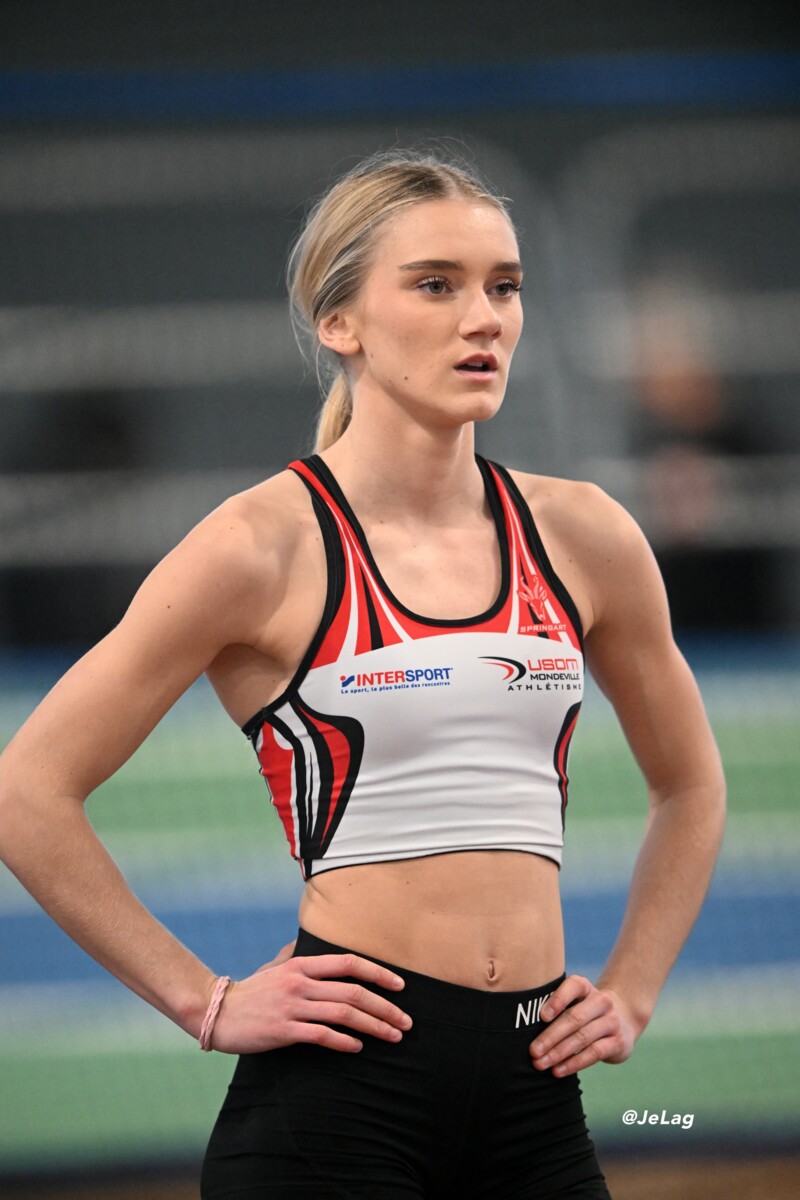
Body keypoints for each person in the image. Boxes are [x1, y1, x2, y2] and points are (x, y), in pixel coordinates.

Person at [0, 151, 725, 1199]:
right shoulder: (258, 546)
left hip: (536, 1103)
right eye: (435, 285)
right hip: (336, 1112)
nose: (483, 318)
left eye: (504, 286)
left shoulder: (583, 534)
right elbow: (26, 790)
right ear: (339, 321)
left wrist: (634, 990)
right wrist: (204, 1002)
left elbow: (690, 784)